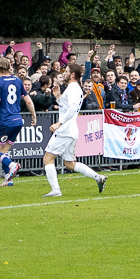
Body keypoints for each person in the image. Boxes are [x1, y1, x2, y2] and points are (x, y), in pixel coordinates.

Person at [42, 63, 107, 197]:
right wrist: (58, 97)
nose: (63, 73)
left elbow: (72, 108)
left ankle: (56, 190)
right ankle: (98, 177)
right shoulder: (74, 88)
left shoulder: (73, 88)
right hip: (71, 130)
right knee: (69, 164)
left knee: (48, 158)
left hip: (65, 130)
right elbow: (67, 107)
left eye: (65, 71)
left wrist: (59, 123)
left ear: (72, 74)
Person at [0, 58, 37, 187]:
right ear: (9, 67)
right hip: (18, 121)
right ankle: (9, 179)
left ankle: (12, 165)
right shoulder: (18, 81)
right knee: (2, 151)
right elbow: (28, 100)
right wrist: (34, 116)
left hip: (6, 122)